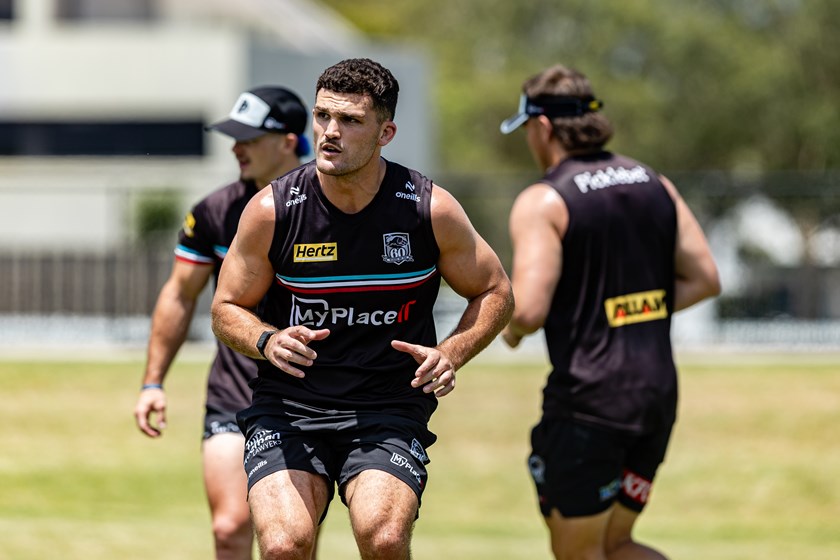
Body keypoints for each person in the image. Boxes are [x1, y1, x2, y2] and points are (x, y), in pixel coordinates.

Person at [210, 57, 513, 560]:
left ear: (385, 132)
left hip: (387, 407)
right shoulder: (272, 210)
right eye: (323, 116)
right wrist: (266, 339)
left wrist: (452, 352)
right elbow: (226, 308)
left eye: (350, 121)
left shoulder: (427, 209)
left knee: (384, 537)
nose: (330, 132)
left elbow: (496, 291)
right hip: (289, 408)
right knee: (285, 544)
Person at [499, 64, 721, 560]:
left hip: (590, 404)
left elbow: (529, 310)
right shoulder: (653, 181)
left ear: (542, 126)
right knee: (616, 545)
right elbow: (705, 279)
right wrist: (636, 311)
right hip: (655, 398)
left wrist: (508, 331)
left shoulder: (544, 200)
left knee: (580, 553)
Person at [133, 86, 310, 560]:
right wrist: (153, 382)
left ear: (289, 140)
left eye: (249, 137)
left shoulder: (334, 207)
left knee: (291, 540)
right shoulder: (215, 211)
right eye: (233, 136)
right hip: (236, 391)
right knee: (231, 525)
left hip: (313, 396)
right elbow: (179, 293)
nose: (236, 147)